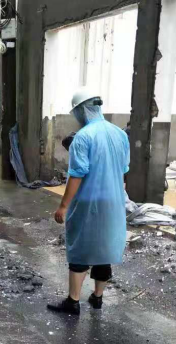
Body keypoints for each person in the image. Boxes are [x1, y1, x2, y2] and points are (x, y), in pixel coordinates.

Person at [48, 87, 129, 315]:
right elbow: (124, 171)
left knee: (81, 248)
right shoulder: (120, 134)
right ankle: (97, 297)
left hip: (87, 202)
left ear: (81, 110)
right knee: (104, 248)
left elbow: (77, 174)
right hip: (113, 202)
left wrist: (63, 206)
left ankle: (73, 301)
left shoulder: (83, 137)